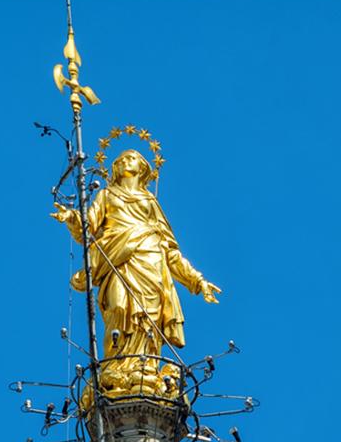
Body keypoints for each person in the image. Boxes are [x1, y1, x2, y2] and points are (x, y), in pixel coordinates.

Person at [51, 149, 220, 391]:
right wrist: (71, 217)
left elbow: (171, 251)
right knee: (118, 308)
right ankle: (116, 367)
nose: (123, 161)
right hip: (116, 260)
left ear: (142, 167)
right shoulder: (106, 195)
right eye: (120, 160)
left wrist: (197, 280)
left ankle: (146, 367)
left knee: (149, 320)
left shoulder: (150, 202)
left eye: (130, 158)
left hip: (151, 263)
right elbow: (87, 230)